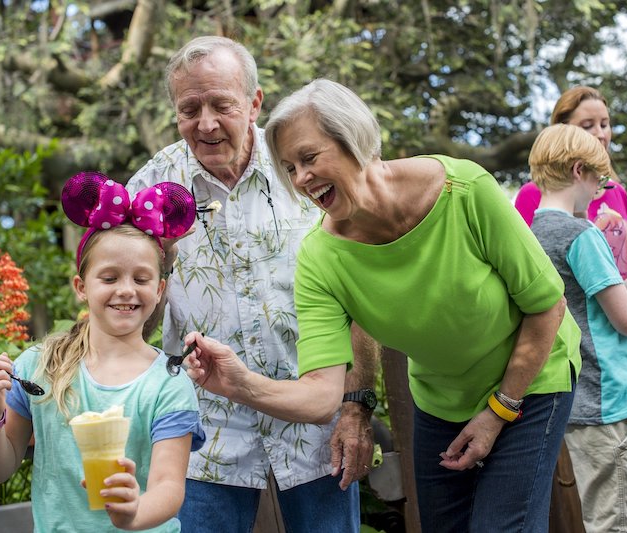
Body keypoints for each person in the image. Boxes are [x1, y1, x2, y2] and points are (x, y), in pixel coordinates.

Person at [182, 78, 583, 533]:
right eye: (290, 168)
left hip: (529, 381)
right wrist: (239, 384)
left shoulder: (463, 190)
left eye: (310, 158)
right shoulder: (321, 256)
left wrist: (498, 412)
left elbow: (546, 306)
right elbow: (320, 395)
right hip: (442, 399)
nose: (301, 178)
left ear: (354, 139)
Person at [126, 37, 379, 533]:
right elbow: (136, 321)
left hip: (315, 428)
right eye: (189, 108)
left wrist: (356, 407)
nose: (206, 123)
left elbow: (357, 295)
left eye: (222, 104)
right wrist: (163, 264)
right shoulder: (148, 190)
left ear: (254, 102)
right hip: (203, 435)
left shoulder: (304, 172)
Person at [0, 172, 205, 532]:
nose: (126, 290)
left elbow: (169, 488)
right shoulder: (39, 367)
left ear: (160, 289)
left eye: (141, 279)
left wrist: (134, 512)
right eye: (110, 278)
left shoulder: (168, 384)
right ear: (82, 287)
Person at [528, 124, 627, 532]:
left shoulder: (534, 232)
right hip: (613, 400)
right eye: (599, 181)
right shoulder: (580, 234)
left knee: (605, 516)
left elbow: (590, 302)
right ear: (579, 169)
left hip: (580, 400)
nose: (600, 192)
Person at [514, 86, 627, 485]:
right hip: (603, 382)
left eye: (605, 124)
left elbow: (605, 286)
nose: (601, 132)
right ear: (579, 169)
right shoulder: (576, 231)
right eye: (588, 126)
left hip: (612, 369)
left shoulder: (549, 223)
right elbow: (626, 318)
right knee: (626, 501)